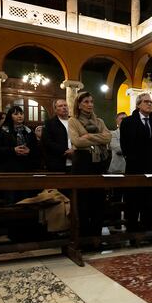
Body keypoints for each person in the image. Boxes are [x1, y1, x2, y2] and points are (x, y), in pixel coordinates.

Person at [68, 91, 112, 238]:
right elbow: (77, 141)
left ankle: (96, 237)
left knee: (98, 202)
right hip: (82, 163)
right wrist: (97, 138)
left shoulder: (99, 121)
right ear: (79, 105)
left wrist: (89, 136)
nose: (90, 105)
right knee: (83, 203)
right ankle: (84, 238)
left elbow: (108, 138)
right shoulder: (73, 121)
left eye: (91, 101)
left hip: (99, 164)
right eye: (86, 102)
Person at [120, 92, 152, 243]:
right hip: (135, 167)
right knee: (133, 201)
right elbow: (125, 145)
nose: (149, 104)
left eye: (150, 102)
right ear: (138, 104)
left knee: (149, 201)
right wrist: (133, 158)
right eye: (146, 102)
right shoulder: (128, 122)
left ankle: (148, 232)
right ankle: (132, 234)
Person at [0, 106, 39, 172]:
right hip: (8, 168)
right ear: (10, 117)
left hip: (27, 168)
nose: (20, 116)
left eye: (21, 114)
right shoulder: (2, 132)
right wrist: (13, 150)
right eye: (16, 114)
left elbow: (37, 150)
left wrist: (29, 151)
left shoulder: (29, 131)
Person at [43, 99, 74, 172]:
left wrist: (74, 150)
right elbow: (47, 142)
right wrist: (66, 151)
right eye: (60, 106)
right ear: (55, 110)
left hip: (75, 162)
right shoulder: (49, 124)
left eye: (65, 105)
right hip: (57, 162)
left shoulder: (74, 121)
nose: (64, 107)